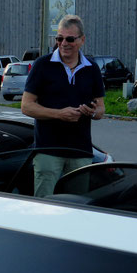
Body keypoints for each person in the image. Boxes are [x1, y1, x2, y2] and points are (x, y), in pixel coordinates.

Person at [21, 15, 105, 197]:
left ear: (82, 40)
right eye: (59, 38)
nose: (63, 43)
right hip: (48, 150)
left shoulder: (92, 68)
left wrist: (92, 112)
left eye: (70, 39)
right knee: (44, 204)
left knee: (77, 205)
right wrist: (59, 114)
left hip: (80, 151)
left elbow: (101, 110)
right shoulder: (42, 65)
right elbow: (26, 106)